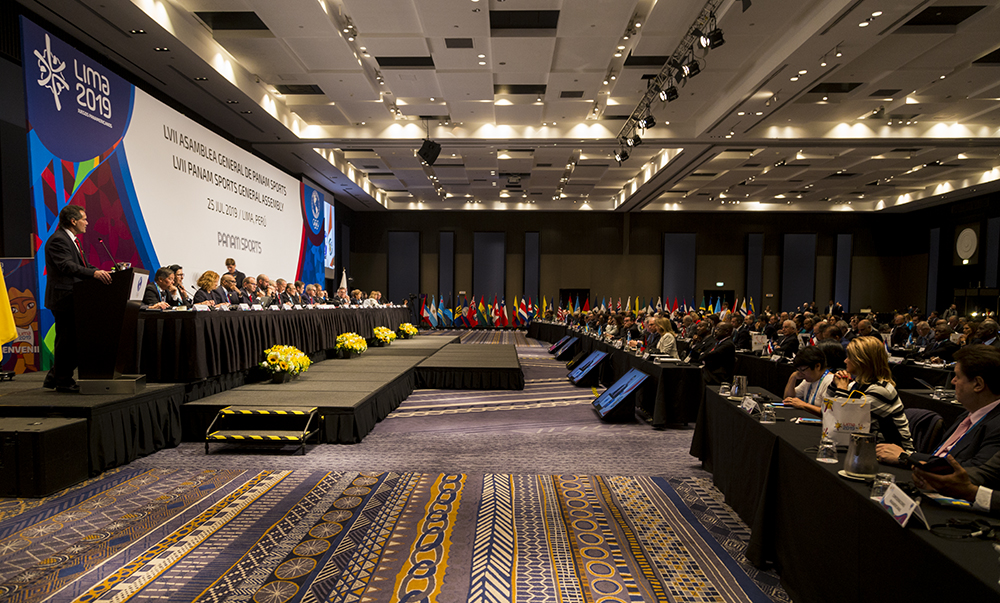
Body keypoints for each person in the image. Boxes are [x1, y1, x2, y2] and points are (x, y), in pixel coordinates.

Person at [878, 344, 1000, 468]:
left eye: (957, 376)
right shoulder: (968, 415)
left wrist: (908, 458)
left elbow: (974, 470)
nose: (953, 381)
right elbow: (939, 456)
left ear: (978, 384)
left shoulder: (996, 426)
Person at [42, 205, 113, 392]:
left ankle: (54, 376)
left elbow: (83, 265)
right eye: (84, 219)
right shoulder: (59, 240)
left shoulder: (72, 240)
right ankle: (63, 382)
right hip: (64, 297)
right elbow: (67, 266)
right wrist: (94, 274)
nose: (87, 222)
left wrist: (98, 271)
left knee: (72, 340)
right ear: (73, 221)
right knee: (67, 341)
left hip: (75, 297)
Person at [829, 336, 914, 452]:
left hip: (894, 452)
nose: (845, 361)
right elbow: (827, 409)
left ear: (862, 361)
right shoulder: (857, 384)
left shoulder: (881, 390)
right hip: (867, 446)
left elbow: (842, 423)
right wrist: (834, 385)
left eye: (849, 357)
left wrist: (841, 390)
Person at [783, 347, 835, 415]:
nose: (800, 373)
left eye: (803, 370)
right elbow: (788, 398)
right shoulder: (809, 379)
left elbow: (827, 411)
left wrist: (803, 405)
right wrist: (793, 377)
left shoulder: (830, 381)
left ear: (817, 366)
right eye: (798, 370)